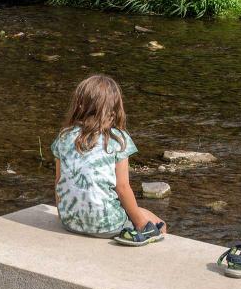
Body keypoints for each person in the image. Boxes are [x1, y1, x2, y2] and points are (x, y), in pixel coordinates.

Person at [52, 74, 167, 245]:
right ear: (114, 108)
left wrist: (64, 216)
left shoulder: (64, 137)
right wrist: (142, 224)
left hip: (69, 222)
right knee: (159, 224)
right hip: (107, 226)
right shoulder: (118, 139)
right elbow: (122, 187)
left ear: (79, 105)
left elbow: (58, 181)